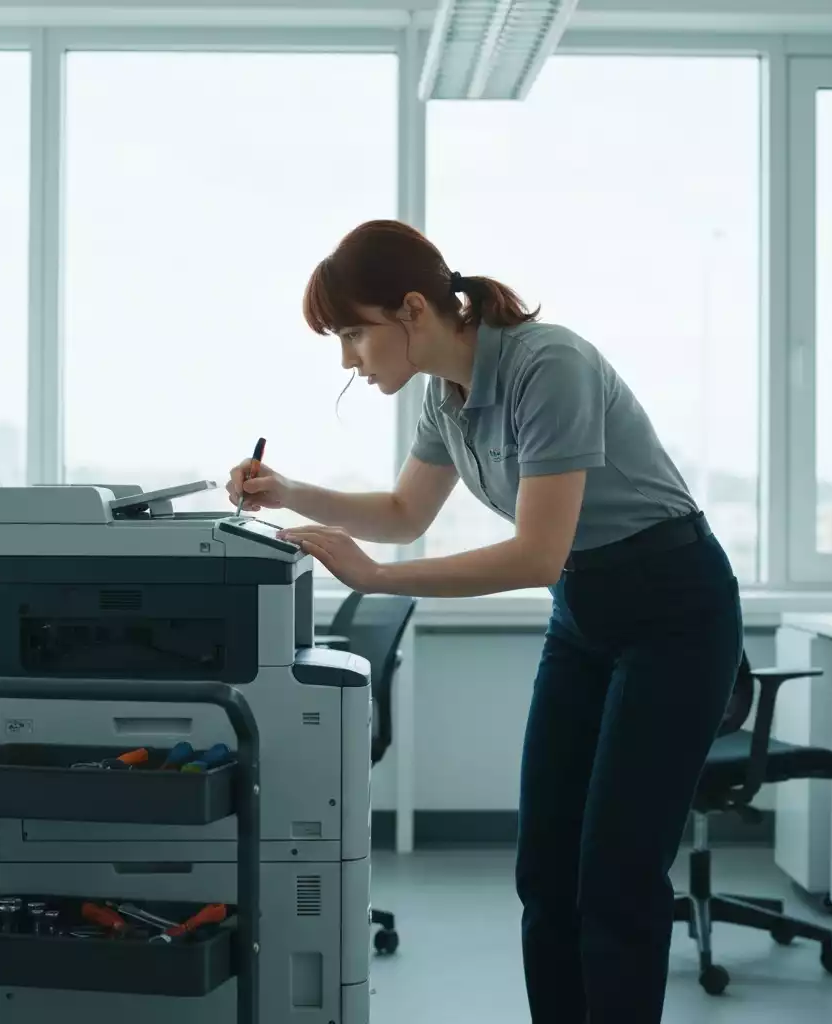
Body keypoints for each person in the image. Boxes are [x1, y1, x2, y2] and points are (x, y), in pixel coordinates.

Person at [227, 219, 742, 1024]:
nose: (349, 360)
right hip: (584, 611)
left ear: (411, 310)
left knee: (617, 875)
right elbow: (403, 512)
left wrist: (377, 576)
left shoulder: (549, 365)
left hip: (676, 610)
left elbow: (535, 554)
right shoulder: (447, 397)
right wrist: (290, 492)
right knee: (545, 872)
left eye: (354, 334)